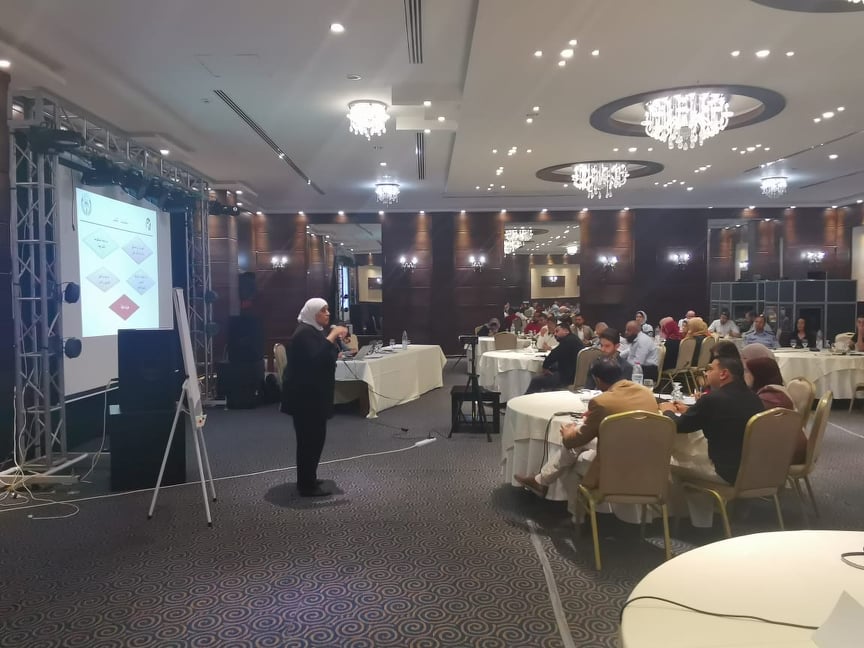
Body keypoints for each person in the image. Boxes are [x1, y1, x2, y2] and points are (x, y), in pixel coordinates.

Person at [514, 357, 657, 496]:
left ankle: (546, 484)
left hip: (616, 457)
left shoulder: (601, 402)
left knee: (573, 444)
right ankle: (541, 481)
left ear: (597, 380)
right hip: (649, 456)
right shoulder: (646, 393)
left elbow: (575, 440)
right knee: (578, 445)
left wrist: (568, 433)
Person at [659, 357, 764, 485]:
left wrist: (667, 411)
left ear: (723, 373)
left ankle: (680, 499)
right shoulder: (753, 397)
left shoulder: (712, 399)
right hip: (751, 469)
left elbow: (677, 426)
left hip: (724, 471)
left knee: (667, 461)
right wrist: (690, 410)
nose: (706, 373)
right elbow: (723, 415)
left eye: (710, 369)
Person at [281, 298, 348, 497]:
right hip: (305, 398)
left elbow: (327, 356)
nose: (328, 313)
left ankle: (309, 477)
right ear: (312, 312)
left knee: (316, 439)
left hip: (314, 396)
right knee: (309, 441)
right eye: (323, 310)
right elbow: (315, 359)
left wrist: (335, 340)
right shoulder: (303, 333)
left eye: (327, 310)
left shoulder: (315, 331)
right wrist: (333, 335)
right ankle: (306, 485)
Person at [744, 356, 806, 464]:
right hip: (787, 446)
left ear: (758, 375)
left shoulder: (770, 399)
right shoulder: (775, 390)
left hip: (786, 454)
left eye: (747, 372)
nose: (743, 375)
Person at [525, 320, 584, 393]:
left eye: (557, 331)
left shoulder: (567, 341)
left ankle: (527, 399)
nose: (555, 334)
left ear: (566, 331)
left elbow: (554, 354)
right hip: (577, 374)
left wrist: (545, 367)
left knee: (536, 380)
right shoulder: (574, 339)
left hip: (567, 377)